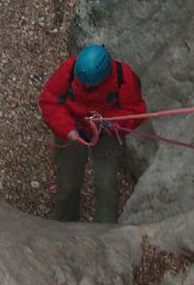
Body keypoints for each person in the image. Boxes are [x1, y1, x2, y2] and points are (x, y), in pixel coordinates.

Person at [39, 44, 147, 223]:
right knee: (67, 183)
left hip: (107, 132)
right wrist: (67, 129)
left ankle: (104, 230)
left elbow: (136, 111)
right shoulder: (70, 70)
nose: (84, 86)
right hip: (74, 126)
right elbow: (50, 101)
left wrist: (107, 121)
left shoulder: (124, 79)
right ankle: (64, 225)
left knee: (106, 185)